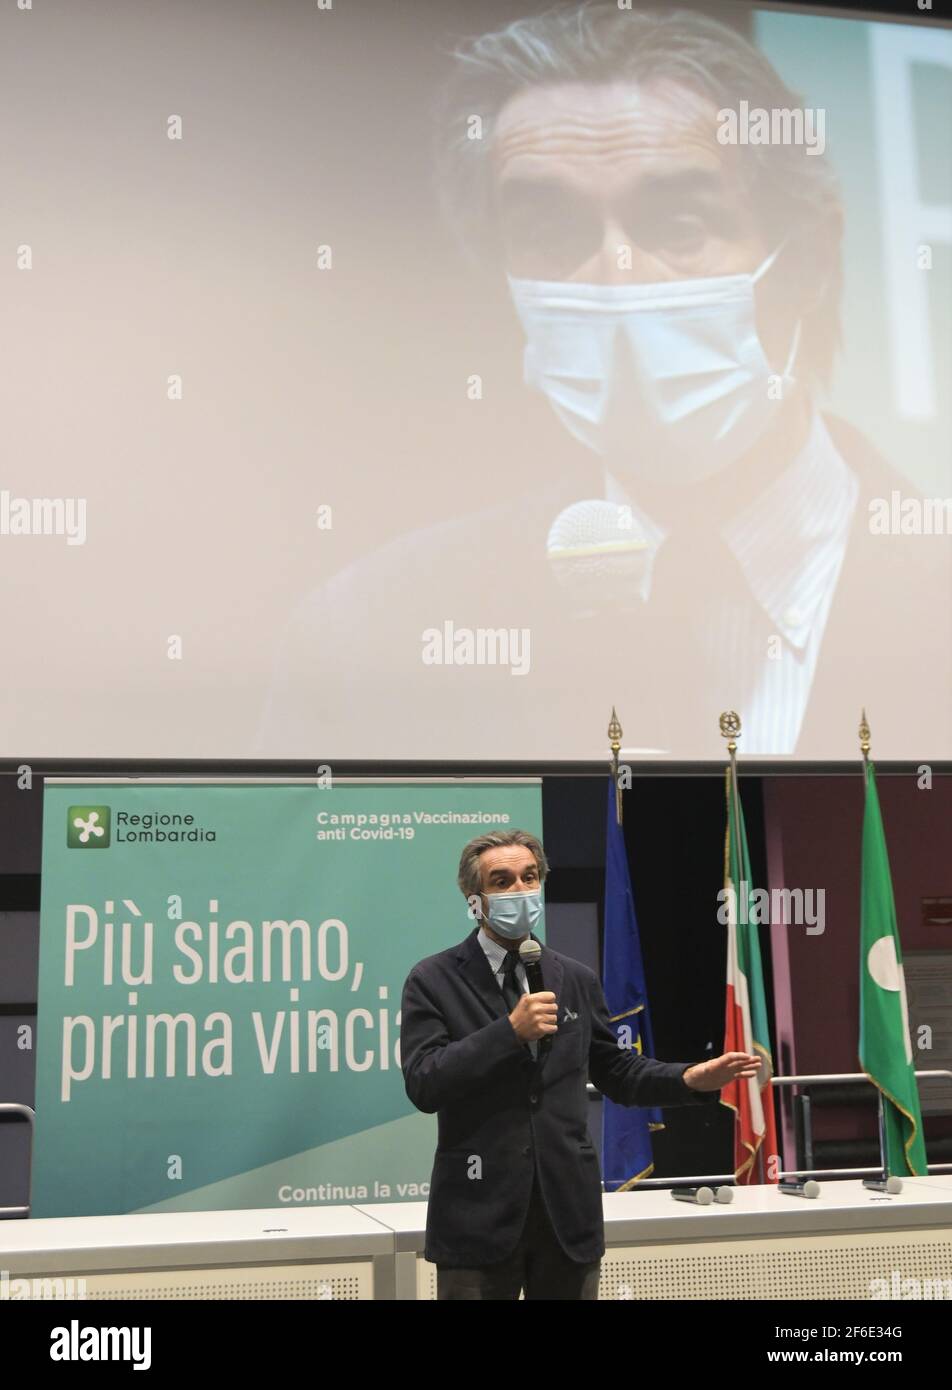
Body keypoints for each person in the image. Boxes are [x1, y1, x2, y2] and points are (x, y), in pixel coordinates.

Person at [257, 2, 950, 761]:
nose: (617, 281)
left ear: (809, 257)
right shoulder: (367, 641)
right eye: (555, 236)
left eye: (678, 226)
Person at [399, 828, 759, 1300]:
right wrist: (509, 1032)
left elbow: (618, 1073)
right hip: (477, 1215)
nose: (519, 891)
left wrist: (689, 1078)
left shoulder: (574, 977)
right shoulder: (433, 979)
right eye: (502, 881)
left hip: (566, 1215)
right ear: (474, 899)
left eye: (530, 877)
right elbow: (426, 1083)